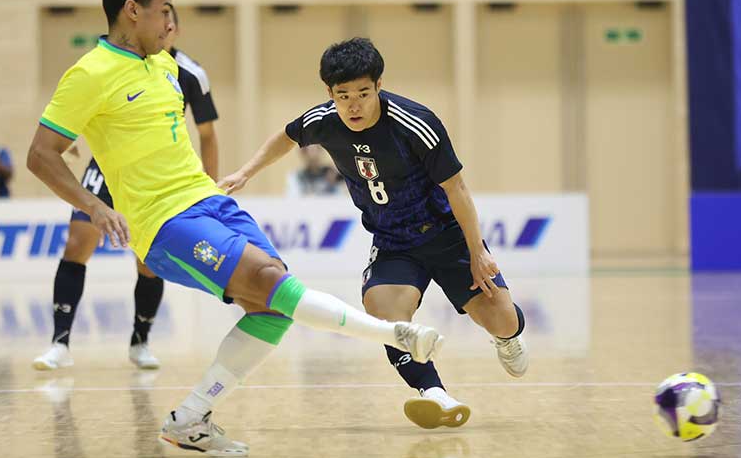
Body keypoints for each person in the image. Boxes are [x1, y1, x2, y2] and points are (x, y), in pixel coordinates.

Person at [27, 0, 442, 457]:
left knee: (271, 309)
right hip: (162, 222)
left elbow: (197, 136)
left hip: (209, 202)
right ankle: (395, 334)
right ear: (131, 11)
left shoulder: (166, 65)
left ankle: (191, 416)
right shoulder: (89, 73)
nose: (170, 23)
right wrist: (95, 207)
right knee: (272, 283)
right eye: (163, 12)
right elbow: (40, 154)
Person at [220, 37, 528, 430]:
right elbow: (287, 136)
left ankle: (508, 335)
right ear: (329, 93)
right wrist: (245, 172)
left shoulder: (414, 123)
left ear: (379, 86)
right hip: (393, 242)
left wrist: (477, 252)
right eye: (342, 95)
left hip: (447, 234)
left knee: (500, 319)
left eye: (363, 93)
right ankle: (433, 393)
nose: (353, 105)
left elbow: (457, 189)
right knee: (383, 313)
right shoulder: (324, 120)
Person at [33, 5, 221, 372]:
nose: (164, 29)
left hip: (156, 180)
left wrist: (210, 191)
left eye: (170, 24)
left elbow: (208, 135)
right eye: (159, 21)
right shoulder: (108, 65)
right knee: (76, 245)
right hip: (104, 170)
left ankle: (140, 341)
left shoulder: (189, 73)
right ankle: (59, 343)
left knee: (148, 261)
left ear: (176, 32)